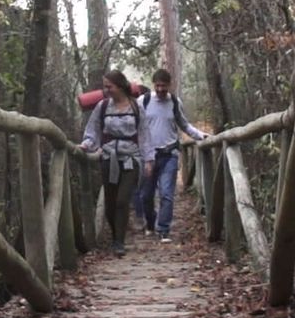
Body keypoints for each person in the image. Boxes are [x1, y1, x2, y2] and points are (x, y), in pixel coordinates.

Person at [79, 69, 151, 257]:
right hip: (108, 158)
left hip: (131, 159)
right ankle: (115, 236)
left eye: (109, 86)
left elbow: (144, 134)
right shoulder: (102, 107)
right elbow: (93, 130)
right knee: (110, 203)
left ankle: (119, 241)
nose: (106, 90)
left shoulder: (136, 107)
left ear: (119, 86)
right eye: (105, 87)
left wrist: (148, 160)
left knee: (122, 200)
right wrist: (86, 145)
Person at [134, 68, 206, 241]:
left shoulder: (174, 102)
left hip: (169, 154)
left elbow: (184, 124)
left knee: (167, 193)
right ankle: (150, 223)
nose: (160, 90)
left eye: (164, 86)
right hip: (148, 156)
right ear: (153, 85)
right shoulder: (143, 101)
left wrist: (200, 135)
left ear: (169, 85)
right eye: (158, 86)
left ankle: (163, 229)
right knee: (146, 195)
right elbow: (134, 127)